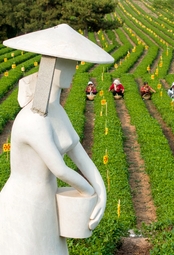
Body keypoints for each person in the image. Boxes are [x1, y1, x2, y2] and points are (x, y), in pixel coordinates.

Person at [0, 24, 112, 254]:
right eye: (68, 63)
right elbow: (60, 169)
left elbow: (78, 152)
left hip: (46, 203)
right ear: (53, 67)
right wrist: (89, 192)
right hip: (24, 206)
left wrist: (101, 191)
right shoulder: (33, 119)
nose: (73, 69)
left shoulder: (57, 112)